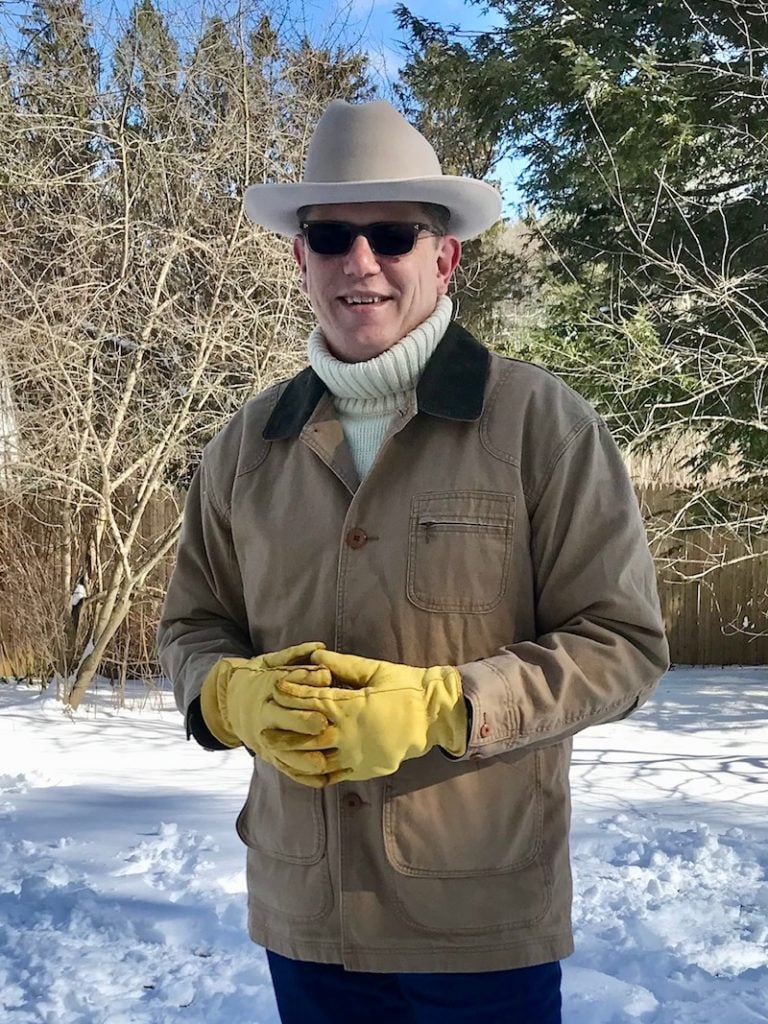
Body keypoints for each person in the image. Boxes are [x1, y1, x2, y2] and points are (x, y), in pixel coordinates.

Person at [157, 99, 669, 1024]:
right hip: (304, 913)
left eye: (394, 234)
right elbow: (192, 624)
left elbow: (623, 644)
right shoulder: (245, 445)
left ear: (445, 256)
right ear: (298, 257)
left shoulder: (541, 425)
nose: (361, 263)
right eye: (331, 237)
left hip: (476, 916)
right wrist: (225, 694)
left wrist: (447, 705)